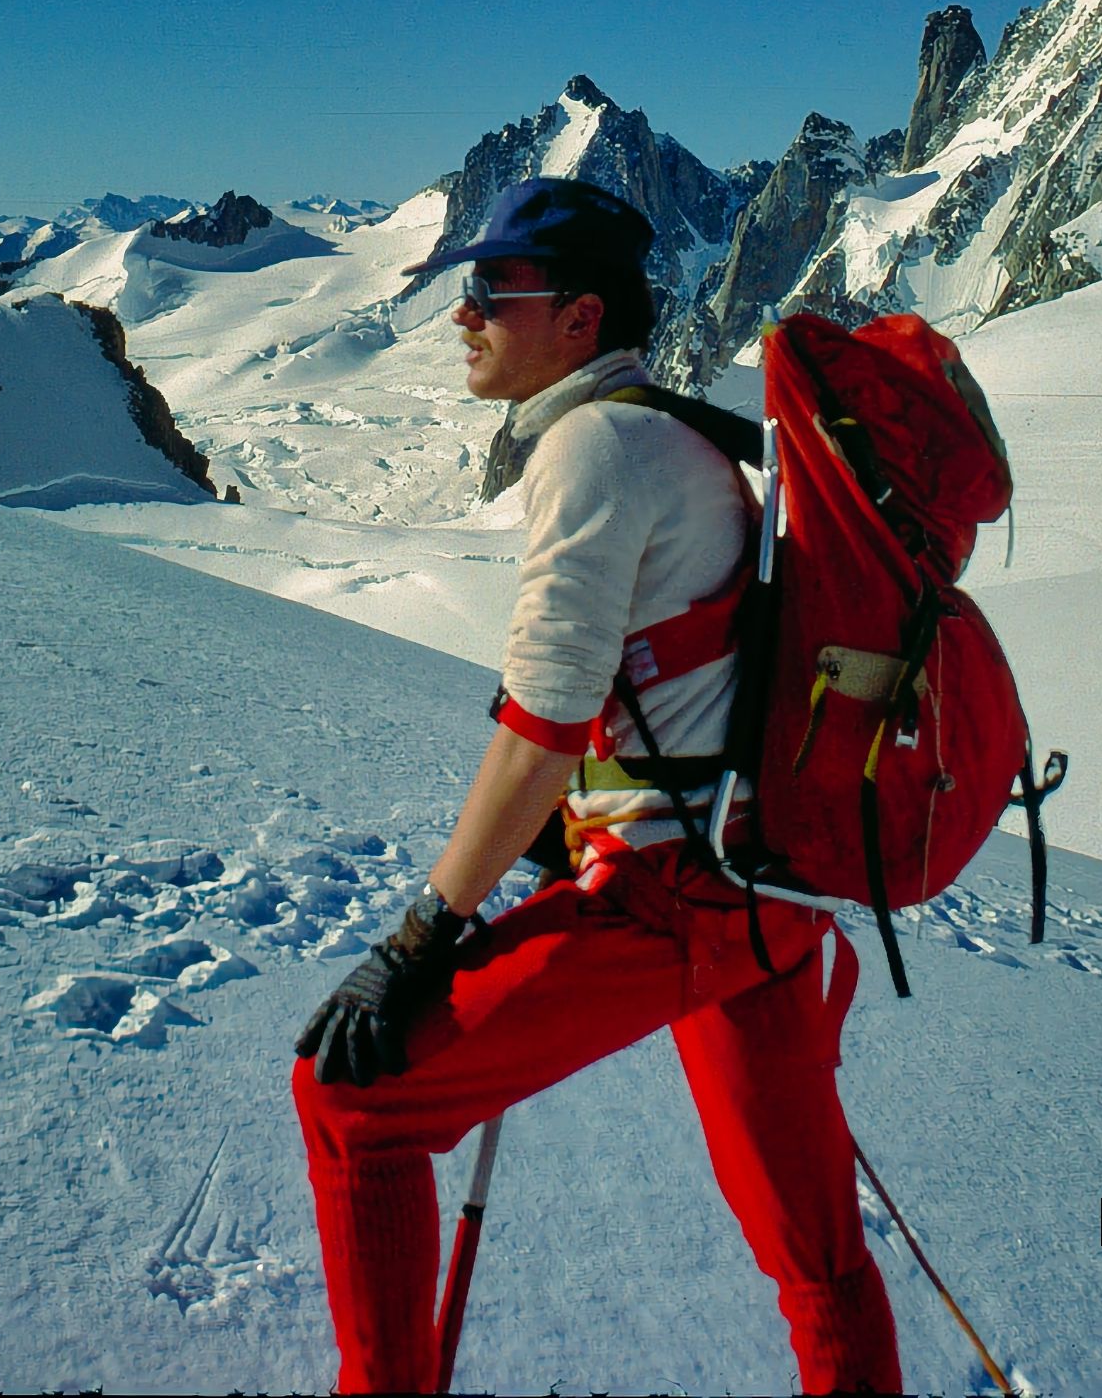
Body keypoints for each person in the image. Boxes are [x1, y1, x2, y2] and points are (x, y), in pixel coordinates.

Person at [290, 176, 902, 1395]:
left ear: (577, 319)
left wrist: (423, 933)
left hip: (672, 899)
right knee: (815, 1249)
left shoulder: (591, 446)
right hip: (763, 900)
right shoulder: (678, 434)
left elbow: (542, 728)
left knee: (352, 1103)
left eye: (489, 291)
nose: (462, 315)